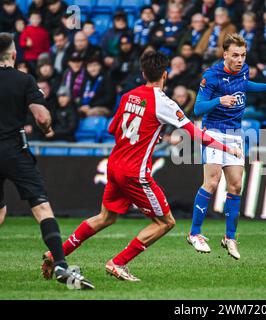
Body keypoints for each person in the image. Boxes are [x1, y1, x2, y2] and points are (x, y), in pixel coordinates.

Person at [41, 51, 242, 281]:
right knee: (166, 222)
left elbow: (112, 130)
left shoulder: (128, 96)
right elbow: (196, 134)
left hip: (115, 165)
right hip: (134, 172)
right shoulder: (163, 102)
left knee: (105, 217)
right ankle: (118, 262)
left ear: (143, 73)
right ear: (165, 74)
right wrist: (227, 149)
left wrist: (146, 135)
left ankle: (56, 253)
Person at [187, 34, 266, 259]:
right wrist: (219, 100)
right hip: (214, 131)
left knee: (235, 187)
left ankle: (230, 238)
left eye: (243, 55)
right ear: (225, 54)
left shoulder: (243, 70)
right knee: (212, 181)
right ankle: (194, 233)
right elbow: (197, 109)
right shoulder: (211, 75)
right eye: (235, 55)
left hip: (234, 134)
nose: (240, 60)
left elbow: (245, 85)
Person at [0, 33, 93, 288]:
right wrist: (47, 126)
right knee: (41, 208)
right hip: (14, 151)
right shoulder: (24, 80)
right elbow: (41, 118)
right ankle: (62, 265)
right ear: (14, 55)